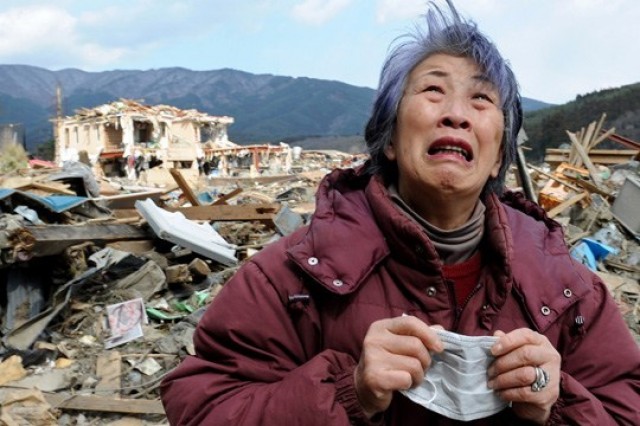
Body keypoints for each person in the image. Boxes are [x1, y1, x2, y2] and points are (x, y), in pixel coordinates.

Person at [160, 1, 640, 424]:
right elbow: (202, 406)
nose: (456, 113)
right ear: (389, 138)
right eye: (433, 91)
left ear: (498, 157)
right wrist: (351, 391)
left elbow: (627, 405)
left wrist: (555, 404)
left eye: (481, 98)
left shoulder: (565, 287)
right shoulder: (291, 278)